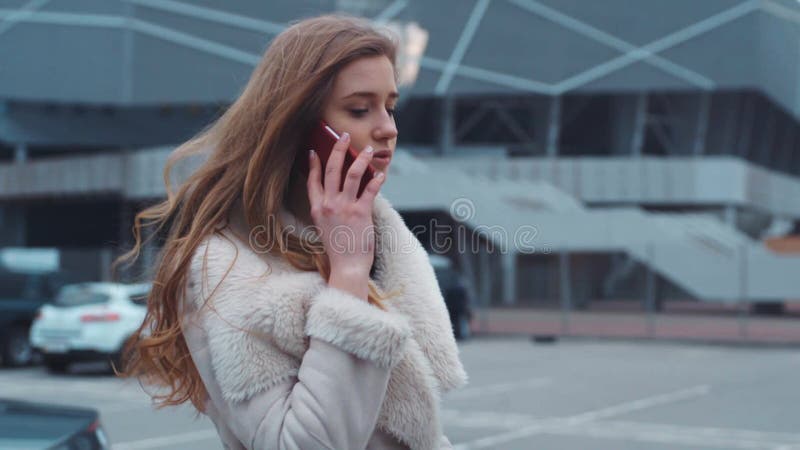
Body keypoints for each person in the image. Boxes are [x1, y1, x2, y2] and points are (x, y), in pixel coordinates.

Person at [114, 14, 468, 450]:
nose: (388, 129)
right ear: (298, 125)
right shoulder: (223, 266)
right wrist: (349, 276)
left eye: (390, 106)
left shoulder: (384, 238)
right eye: (360, 109)